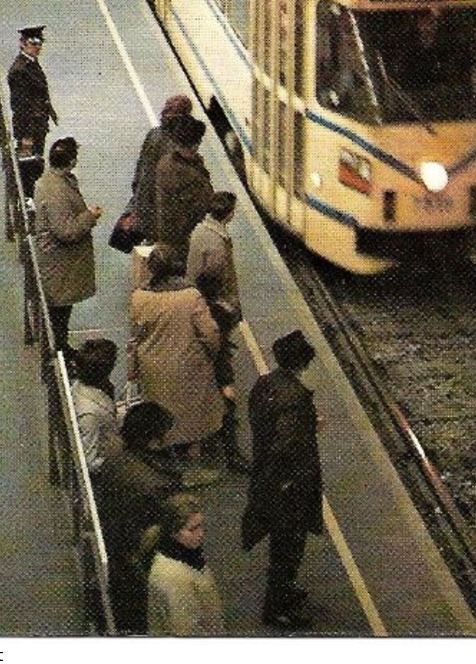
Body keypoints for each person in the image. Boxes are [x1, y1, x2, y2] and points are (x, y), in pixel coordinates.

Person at [242, 328, 324, 629]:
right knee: (288, 548)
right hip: (288, 488)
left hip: (267, 478)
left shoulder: (264, 384)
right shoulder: (296, 398)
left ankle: (283, 593)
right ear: (302, 363)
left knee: (283, 545)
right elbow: (286, 442)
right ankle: (276, 608)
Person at [130, 243, 224, 471]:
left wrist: (133, 368)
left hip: (152, 365)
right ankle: (192, 453)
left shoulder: (139, 297)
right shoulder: (191, 296)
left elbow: (135, 336)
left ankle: (162, 447)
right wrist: (210, 354)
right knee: (192, 413)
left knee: (159, 408)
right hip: (188, 365)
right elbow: (210, 333)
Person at [96, 401, 179, 635]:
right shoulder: (154, 485)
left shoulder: (115, 460)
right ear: (154, 440)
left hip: (119, 550)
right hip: (139, 563)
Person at [186, 189, 250, 473]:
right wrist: (228, 308)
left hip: (209, 306)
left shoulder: (200, 231)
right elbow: (215, 278)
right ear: (229, 213)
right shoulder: (217, 244)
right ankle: (230, 449)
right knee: (223, 383)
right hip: (217, 311)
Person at [33, 136, 102, 354]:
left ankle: (59, 345)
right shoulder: (57, 191)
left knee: (60, 310)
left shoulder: (52, 181)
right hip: (60, 263)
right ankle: (58, 349)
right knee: (59, 311)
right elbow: (65, 231)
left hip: (58, 261)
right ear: (71, 161)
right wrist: (89, 216)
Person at [146, 493, 227, 637]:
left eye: (200, 525)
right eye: (192, 529)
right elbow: (186, 632)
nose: (200, 533)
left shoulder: (187, 554)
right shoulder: (173, 578)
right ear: (173, 532)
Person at [130, 93, 194, 243]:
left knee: (151, 243)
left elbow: (140, 166)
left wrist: (138, 193)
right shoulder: (178, 143)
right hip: (162, 207)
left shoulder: (154, 134)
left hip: (144, 201)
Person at [154, 111, 218, 258]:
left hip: (183, 236)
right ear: (192, 144)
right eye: (196, 143)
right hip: (181, 240)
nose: (198, 146)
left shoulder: (173, 162)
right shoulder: (176, 170)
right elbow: (189, 207)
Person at [7, 25, 57, 198]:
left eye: (39, 42)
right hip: (29, 128)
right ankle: (26, 200)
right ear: (22, 43)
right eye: (33, 42)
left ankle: (29, 196)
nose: (37, 46)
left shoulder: (31, 63)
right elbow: (20, 107)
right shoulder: (20, 71)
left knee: (35, 163)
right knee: (28, 166)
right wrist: (26, 136)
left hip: (38, 124)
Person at [70, 337, 121, 475]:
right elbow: (89, 463)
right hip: (109, 463)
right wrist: (121, 454)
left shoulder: (78, 386)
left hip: (107, 437)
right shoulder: (90, 415)